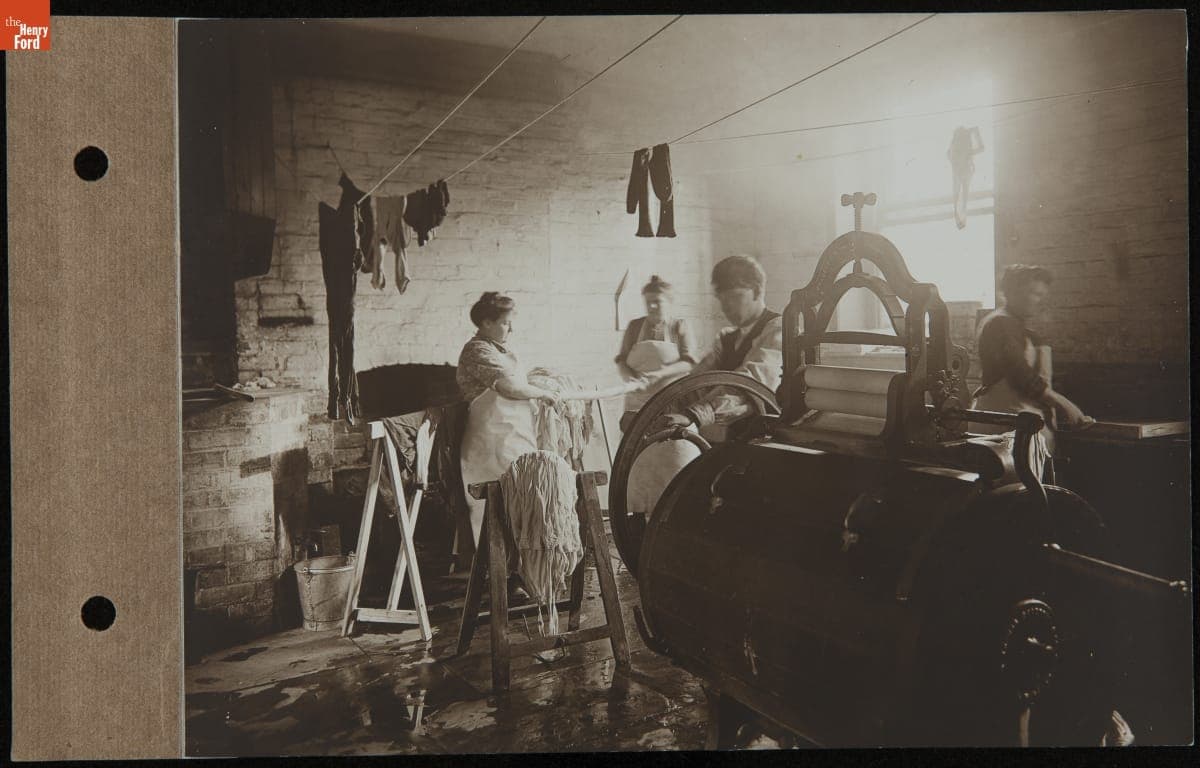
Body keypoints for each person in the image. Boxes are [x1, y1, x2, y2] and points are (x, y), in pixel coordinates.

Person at [456, 292, 560, 599]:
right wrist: (541, 394)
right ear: (486, 323)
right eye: (505, 323)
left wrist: (543, 383)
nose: (511, 329)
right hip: (489, 443)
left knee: (523, 504)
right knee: (497, 510)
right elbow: (510, 387)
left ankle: (522, 576)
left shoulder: (499, 349)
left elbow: (519, 381)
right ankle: (502, 580)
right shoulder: (477, 350)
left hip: (514, 439)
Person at [971, 265, 1093, 477]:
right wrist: (1066, 405)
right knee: (1016, 496)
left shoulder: (1016, 326)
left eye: (1043, 295)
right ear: (1012, 292)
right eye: (1034, 293)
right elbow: (1022, 377)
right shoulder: (1001, 324)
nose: (1040, 300)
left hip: (1017, 423)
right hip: (1005, 422)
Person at [660, 254, 784, 430]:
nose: (726, 307)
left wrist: (698, 413)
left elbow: (752, 379)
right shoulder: (726, 339)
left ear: (757, 291)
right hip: (732, 437)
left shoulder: (778, 330)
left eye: (733, 297)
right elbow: (697, 382)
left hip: (769, 437)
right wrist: (658, 411)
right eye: (722, 300)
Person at [614, 275, 697, 428]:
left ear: (669, 302)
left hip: (671, 399)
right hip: (637, 401)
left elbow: (688, 363)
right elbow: (621, 361)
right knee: (638, 445)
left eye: (657, 302)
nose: (651, 307)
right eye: (648, 302)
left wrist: (659, 374)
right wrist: (630, 379)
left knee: (673, 444)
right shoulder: (634, 326)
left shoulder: (679, 326)